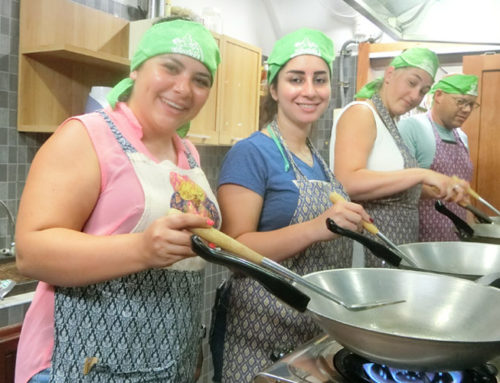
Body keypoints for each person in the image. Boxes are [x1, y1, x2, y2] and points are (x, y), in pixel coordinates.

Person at [15, 18, 221, 383]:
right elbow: (31, 252)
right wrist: (142, 249)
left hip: (167, 365)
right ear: (138, 68)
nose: (183, 88)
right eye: (169, 68)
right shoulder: (86, 136)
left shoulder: (187, 154)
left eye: (200, 79)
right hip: (80, 365)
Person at [212, 28, 372, 383]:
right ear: (274, 88)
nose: (310, 91)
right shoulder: (251, 153)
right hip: (258, 330)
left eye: (319, 79)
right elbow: (235, 251)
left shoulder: (319, 160)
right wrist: (319, 227)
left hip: (311, 327)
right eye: (295, 79)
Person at [329, 48, 469, 267]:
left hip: (392, 248)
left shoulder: (391, 122)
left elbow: (386, 186)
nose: (415, 96)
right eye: (411, 83)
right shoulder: (361, 113)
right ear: (390, 74)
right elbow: (347, 182)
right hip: (368, 250)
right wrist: (421, 174)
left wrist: (435, 190)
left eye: (423, 91)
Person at [399, 74, 479, 242]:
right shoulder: (413, 127)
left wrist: (473, 227)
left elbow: (464, 193)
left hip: (458, 235)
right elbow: (401, 186)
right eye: (461, 102)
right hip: (421, 236)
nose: (466, 109)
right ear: (439, 95)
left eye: (471, 104)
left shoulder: (462, 137)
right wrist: (443, 189)